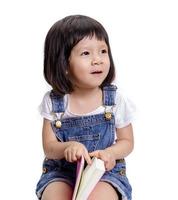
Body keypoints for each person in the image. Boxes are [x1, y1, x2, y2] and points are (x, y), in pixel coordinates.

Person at [36, 14, 136, 200]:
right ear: (63, 63)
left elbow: (127, 142)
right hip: (61, 172)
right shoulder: (54, 101)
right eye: (86, 53)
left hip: (104, 172)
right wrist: (68, 147)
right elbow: (49, 147)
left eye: (103, 51)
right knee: (54, 196)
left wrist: (109, 153)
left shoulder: (114, 100)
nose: (97, 60)